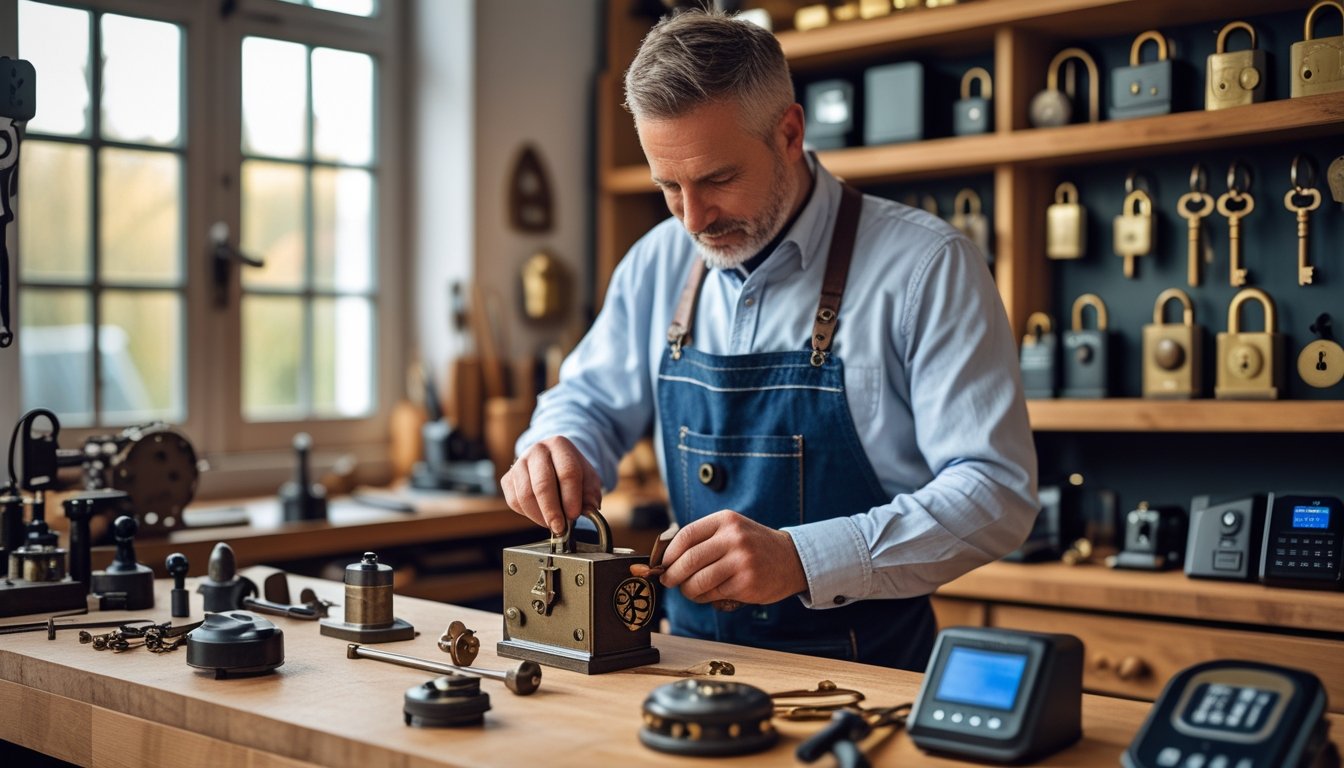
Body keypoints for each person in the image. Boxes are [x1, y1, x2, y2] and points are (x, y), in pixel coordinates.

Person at [502, 9, 1037, 671]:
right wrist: (554, 448)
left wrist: (804, 559)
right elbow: (585, 401)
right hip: (682, 667)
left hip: (863, 675)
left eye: (717, 179)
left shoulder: (927, 268)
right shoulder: (657, 262)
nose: (693, 218)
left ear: (789, 132)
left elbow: (996, 493)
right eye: (669, 186)